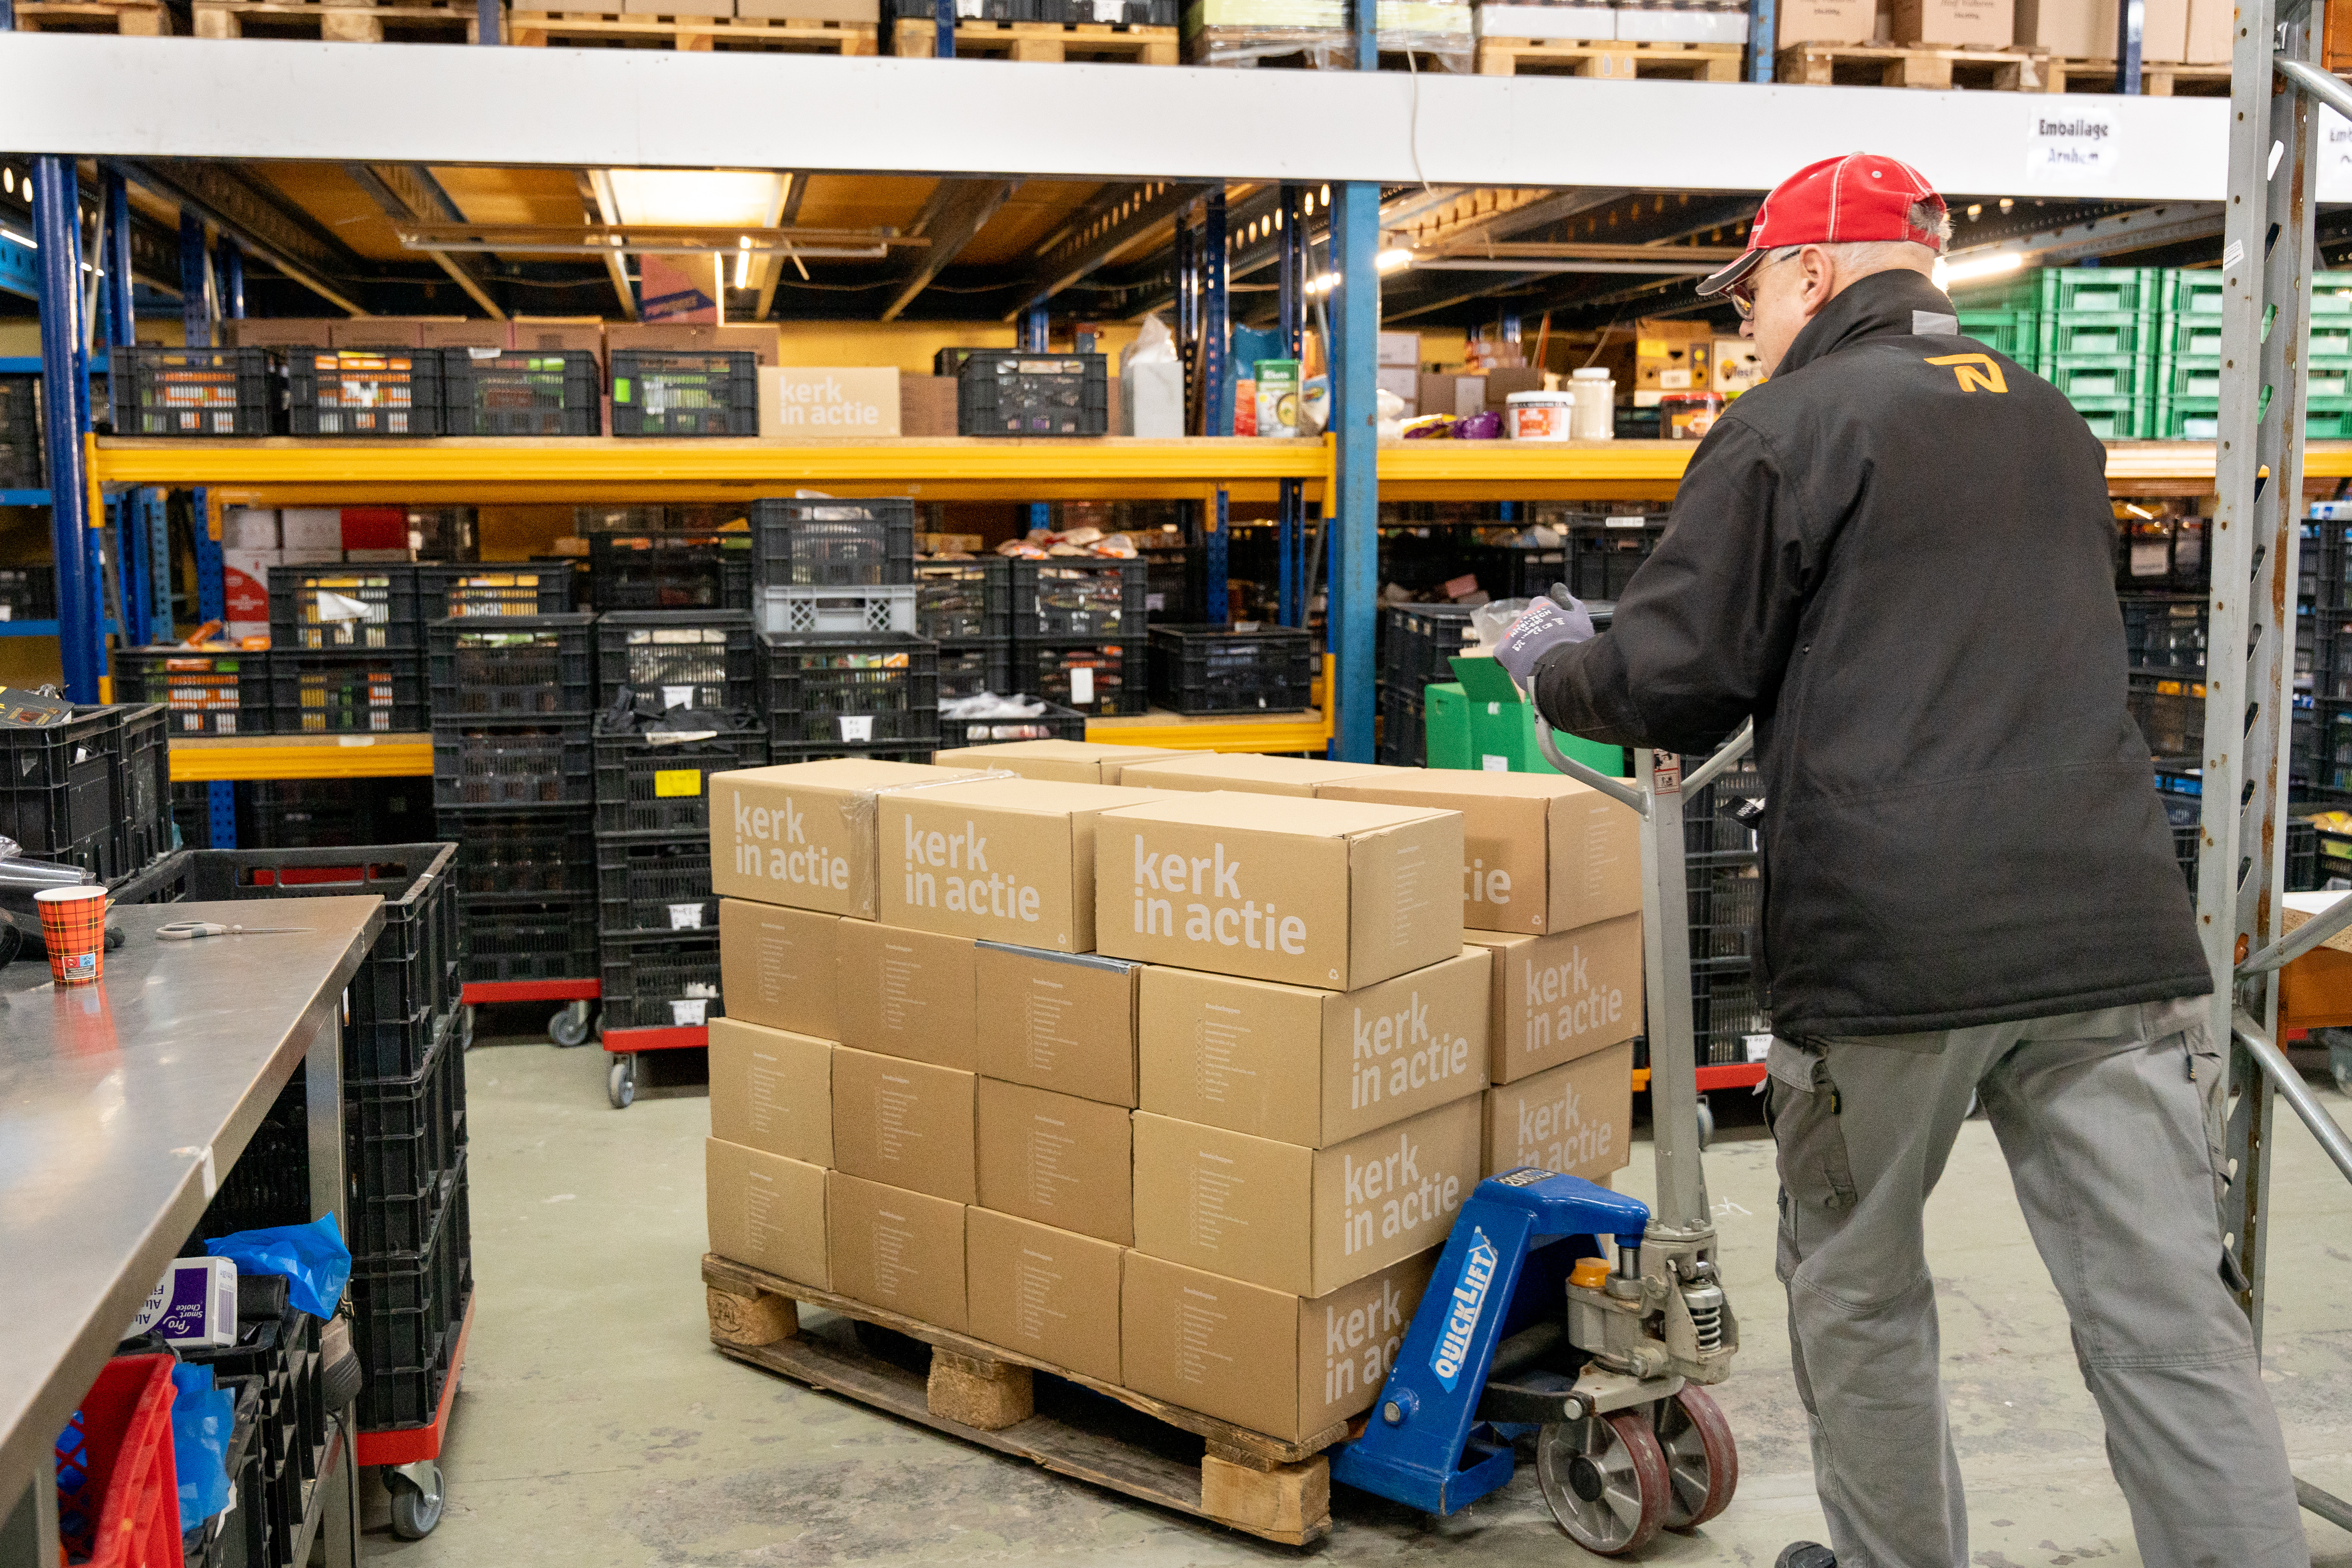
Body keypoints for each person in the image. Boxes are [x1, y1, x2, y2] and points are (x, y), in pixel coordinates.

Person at [1494, 153, 2309, 1568]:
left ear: (1810, 272)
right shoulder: (2050, 419)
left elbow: (1673, 686)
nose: (1745, 324)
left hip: (1893, 945)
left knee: (1859, 1289)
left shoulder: (1786, 425)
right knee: (2164, 1312)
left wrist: (1554, 659)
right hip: (2100, 926)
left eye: (1747, 294)